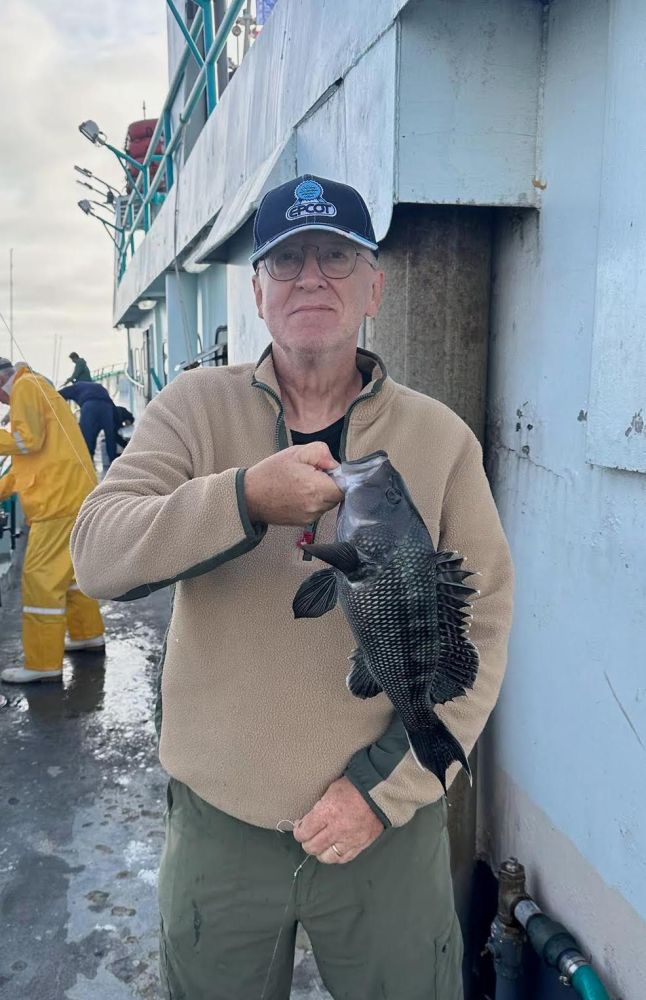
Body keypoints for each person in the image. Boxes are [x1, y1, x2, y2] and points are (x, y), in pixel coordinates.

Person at [70, 175, 514, 1000]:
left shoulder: (440, 439)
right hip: (219, 831)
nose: (312, 277)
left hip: (386, 830)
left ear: (374, 284)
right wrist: (241, 499)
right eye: (288, 260)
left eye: (337, 257)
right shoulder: (193, 410)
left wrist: (388, 792)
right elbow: (97, 554)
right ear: (259, 292)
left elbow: (480, 626)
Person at [0, 360, 105, 685]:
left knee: (40, 580)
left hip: (57, 502)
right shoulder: (36, 388)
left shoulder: (25, 387)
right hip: (70, 495)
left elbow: (24, 441)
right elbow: (26, 464)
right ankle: (88, 635)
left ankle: (43, 664)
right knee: (70, 575)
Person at [59, 380, 118, 465]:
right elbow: (112, 406)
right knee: (110, 435)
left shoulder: (76, 387)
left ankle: (89, 462)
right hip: (106, 407)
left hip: (89, 407)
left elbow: (59, 394)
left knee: (87, 436)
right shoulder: (99, 387)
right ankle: (113, 461)